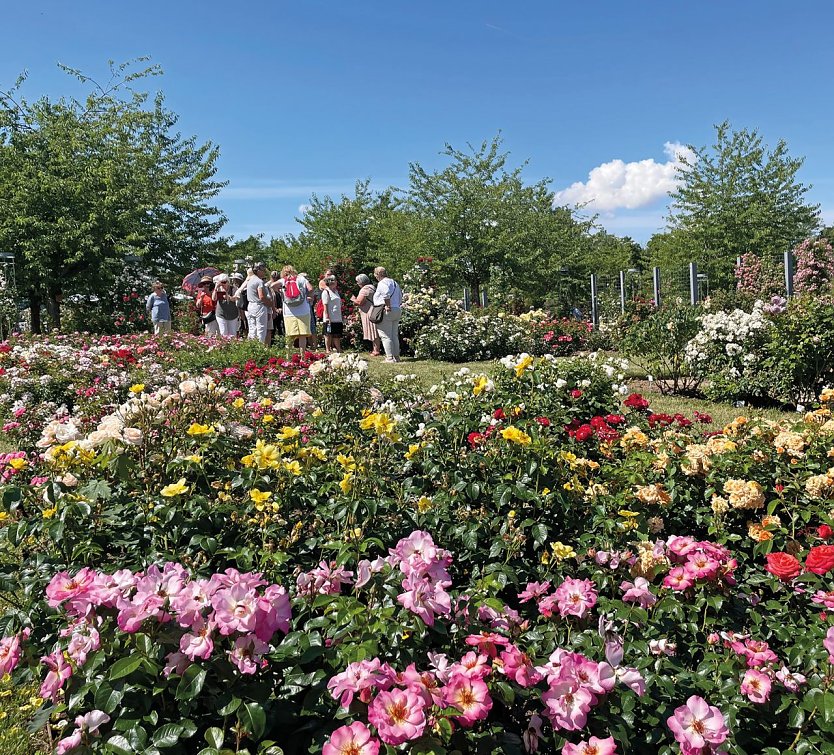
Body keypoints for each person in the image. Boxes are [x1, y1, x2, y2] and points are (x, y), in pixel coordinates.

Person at [280, 265, 313, 352]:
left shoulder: (283, 280)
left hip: (289, 312)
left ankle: (288, 357)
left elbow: (272, 285)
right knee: (302, 335)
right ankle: (303, 357)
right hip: (303, 311)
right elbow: (310, 288)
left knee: (289, 335)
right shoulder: (301, 279)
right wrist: (308, 296)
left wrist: (281, 291)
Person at [373, 266, 402, 363]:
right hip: (397, 309)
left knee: (385, 335)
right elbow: (400, 296)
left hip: (387, 309)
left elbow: (386, 294)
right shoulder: (394, 283)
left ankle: (389, 358)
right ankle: (396, 357)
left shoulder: (382, 283)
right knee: (394, 335)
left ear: (378, 274)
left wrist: (388, 306)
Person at [351, 273, 381, 356]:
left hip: (369, 312)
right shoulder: (372, 287)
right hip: (373, 310)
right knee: (374, 331)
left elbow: (359, 302)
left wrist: (353, 299)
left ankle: (376, 350)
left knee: (373, 331)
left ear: (361, 282)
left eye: (357, 282)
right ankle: (375, 349)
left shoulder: (364, 289)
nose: (357, 283)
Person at [245, 262, 273, 344]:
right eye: (262, 270)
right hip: (259, 306)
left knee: (252, 328)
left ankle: (252, 346)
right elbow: (261, 296)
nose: (264, 271)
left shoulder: (250, 281)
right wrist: (270, 304)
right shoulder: (259, 282)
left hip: (250, 305)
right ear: (258, 270)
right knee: (261, 328)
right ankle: (260, 347)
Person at [320, 275, 343, 352]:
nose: (336, 282)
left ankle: (338, 348)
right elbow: (325, 305)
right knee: (328, 334)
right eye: (335, 281)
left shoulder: (336, 292)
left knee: (337, 334)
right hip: (330, 316)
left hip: (337, 316)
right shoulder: (326, 292)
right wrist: (327, 316)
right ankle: (327, 349)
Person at [213, 274, 240, 338]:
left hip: (232, 314)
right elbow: (213, 298)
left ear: (228, 282)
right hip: (221, 314)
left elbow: (235, 298)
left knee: (232, 334)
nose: (222, 284)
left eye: (224, 282)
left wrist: (228, 297)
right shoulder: (218, 288)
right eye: (221, 282)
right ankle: (225, 346)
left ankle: (232, 347)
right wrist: (216, 288)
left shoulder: (233, 288)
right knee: (223, 333)